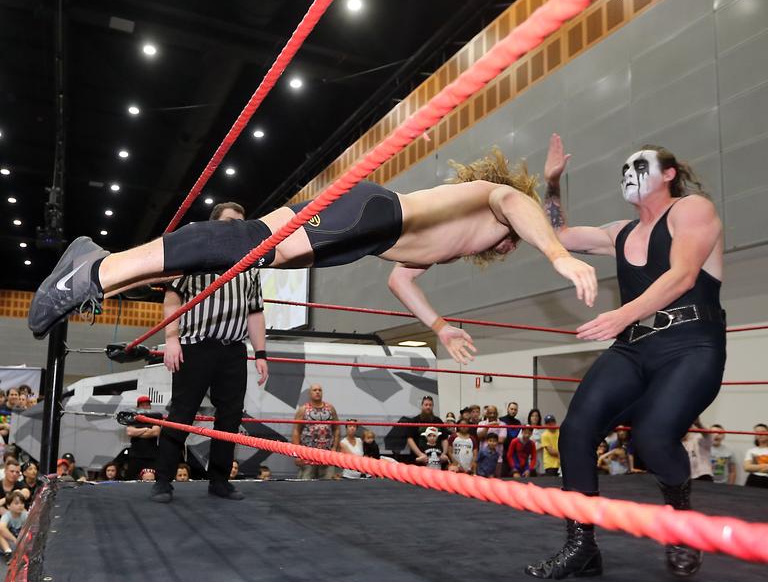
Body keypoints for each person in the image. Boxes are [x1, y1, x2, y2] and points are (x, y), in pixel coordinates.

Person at [28, 151, 598, 366]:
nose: (510, 247)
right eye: (520, 238)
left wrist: (441, 327)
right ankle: (95, 271)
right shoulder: (495, 203)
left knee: (240, 258)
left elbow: (403, 284)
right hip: (372, 213)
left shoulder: (456, 245)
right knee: (245, 242)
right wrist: (555, 251)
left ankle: (100, 272)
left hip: (365, 238)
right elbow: (529, 211)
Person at [526, 134, 726, 580]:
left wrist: (621, 315)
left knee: (652, 437)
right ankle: (581, 546)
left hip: (691, 343)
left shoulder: (693, 210)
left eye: (641, 167)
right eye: (625, 170)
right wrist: (553, 183)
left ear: (669, 175)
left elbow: (683, 274)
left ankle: (681, 525)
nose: (629, 175)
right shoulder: (620, 232)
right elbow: (557, 236)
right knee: (575, 431)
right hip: (634, 346)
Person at [147, 202, 268, 504]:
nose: (235, 228)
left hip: (234, 350)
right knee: (182, 414)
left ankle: (219, 480)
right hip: (196, 345)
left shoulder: (250, 265)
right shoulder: (196, 254)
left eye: (241, 223)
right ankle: (163, 480)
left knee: (229, 418)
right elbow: (172, 297)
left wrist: (262, 353)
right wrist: (171, 339)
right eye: (229, 222)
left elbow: (255, 312)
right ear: (213, 224)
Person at [292, 384, 339, 480]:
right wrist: (297, 454)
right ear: (310, 393)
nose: (317, 392)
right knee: (306, 484)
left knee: (328, 484)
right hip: (307, 454)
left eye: (319, 390)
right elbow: (296, 431)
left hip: (327, 454)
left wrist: (334, 448)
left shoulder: (330, 408)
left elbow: (336, 428)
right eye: (315, 390)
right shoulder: (303, 409)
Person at [125, 396, 162, 482]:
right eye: (143, 405)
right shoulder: (133, 416)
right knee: (132, 479)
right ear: (138, 407)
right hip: (135, 455)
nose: (145, 407)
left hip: (151, 455)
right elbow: (130, 432)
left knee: (152, 480)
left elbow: (155, 432)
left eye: (147, 404)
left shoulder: (156, 416)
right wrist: (146, 429)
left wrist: (137, 432)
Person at [405, 396, 446, 461]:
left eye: (430, 405)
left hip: (437, 459)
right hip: (419, 460)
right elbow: (409, 439)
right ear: (422, 405)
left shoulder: (438, 421)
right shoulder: (415, 420)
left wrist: (444, 453)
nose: (428, 407)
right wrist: (420, 454)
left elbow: (444, 439)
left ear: (433, 406)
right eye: (426, 405)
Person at [682, 417, 713, 482]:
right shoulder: (676, 443)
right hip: (684, 478)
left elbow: (707, 435)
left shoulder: (698, 437)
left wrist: (699, 424)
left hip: (703, 476)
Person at [0, 491, 27, 562]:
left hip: (22, 542)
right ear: (8, 506)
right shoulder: (7, 516)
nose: (20, 505)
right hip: (10, 542)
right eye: (16, 503)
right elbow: (2, 528)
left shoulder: (25, 515)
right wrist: (14, 539)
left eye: (22, 503)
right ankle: (8, 552)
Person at [499, 402, 522, 477]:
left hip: (514, 453)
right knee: (503, 474)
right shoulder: (501, 420)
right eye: (511, 409)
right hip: (503, 452)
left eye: (515, 409)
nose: (513, 411)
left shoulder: (518, 423)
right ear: (507, 409)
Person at [743, 424, 768, 489]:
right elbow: (747, 467)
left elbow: (750, 467)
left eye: (763, 432)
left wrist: (755, 467)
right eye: (757, 432)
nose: (760, 434)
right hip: (753, 480)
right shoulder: (751, 451)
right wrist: (765, 466)